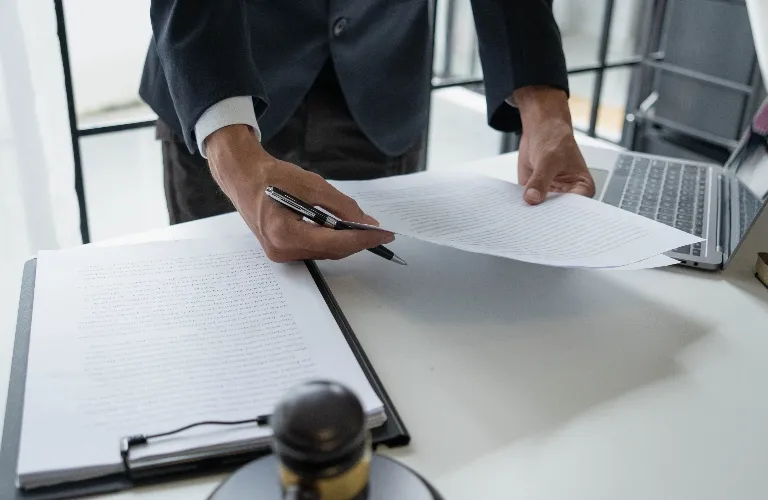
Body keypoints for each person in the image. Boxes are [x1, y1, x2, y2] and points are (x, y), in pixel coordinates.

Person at [139, 0, 595, 263]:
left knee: (384, 304)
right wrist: (230, 149)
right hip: (219, 81)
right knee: (227, 308)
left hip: (380, 84)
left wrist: (544, 105)